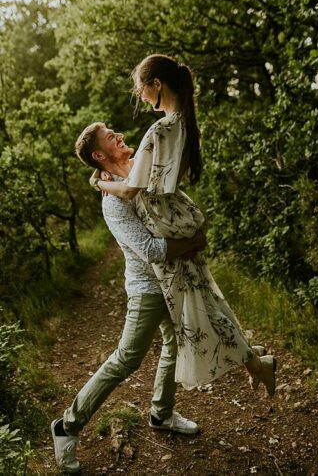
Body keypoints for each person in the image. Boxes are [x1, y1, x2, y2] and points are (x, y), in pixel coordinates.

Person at [91, 54, 277, 388]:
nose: (141, 96)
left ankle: (255, 362)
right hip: (176, 215)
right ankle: (255, 361)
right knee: (203, 301)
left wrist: (99, 182)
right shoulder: (181, 122)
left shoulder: (161, 128)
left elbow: (133, 189)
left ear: (157, 84)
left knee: (198, 310)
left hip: (164, 221)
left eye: (141, 89)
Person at [51, 123, 209, 473]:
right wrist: (192, 242)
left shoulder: (135, 169)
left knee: (174, 344)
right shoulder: (112, 205)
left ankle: (161, 413)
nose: (119, 136)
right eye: (111, 137)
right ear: (99, 155)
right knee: (126, 359)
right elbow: (152, 250)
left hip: (171, 281)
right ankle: (67, 426)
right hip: (148, 289)